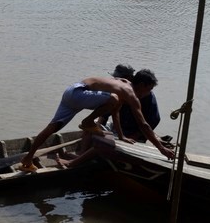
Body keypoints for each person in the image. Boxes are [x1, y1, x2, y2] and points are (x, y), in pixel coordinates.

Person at [20, 70, 175, 172]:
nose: (148, 94)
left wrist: (121, 137)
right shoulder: (130, 94)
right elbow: (144, 124)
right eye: (149, 90)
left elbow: (115, 113)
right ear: (142, 85)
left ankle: (27, 161)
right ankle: (88, 122)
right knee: (113, 99)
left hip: (71, 91)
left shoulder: (123, 84)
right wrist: (161, 149)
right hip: (81, 93)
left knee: (52, 128)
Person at [100, 64, 163, 143]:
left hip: (135, 132)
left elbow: (153, 120)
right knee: (96, 125)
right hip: (119, 127)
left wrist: (135, 135)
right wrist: (99, 127)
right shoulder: (120, 91)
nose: (117, 81)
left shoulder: (146, 96)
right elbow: (107, 112)